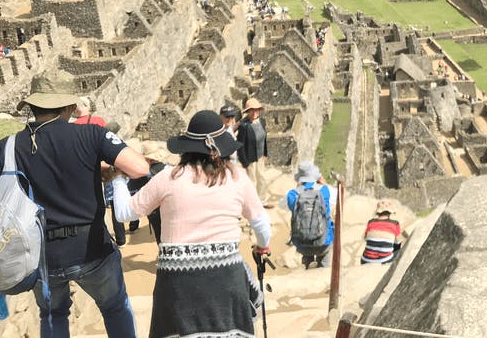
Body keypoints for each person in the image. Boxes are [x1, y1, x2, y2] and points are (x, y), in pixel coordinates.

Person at [0, 69, 150, 338]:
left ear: (32, 105)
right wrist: (103, 172)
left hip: (41, 256)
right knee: (114, 307)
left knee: (53, 314)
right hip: (92, 249)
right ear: (69, 106)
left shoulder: (6, 148)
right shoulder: (91, 135)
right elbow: (139, 168)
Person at [111, 110, 271, 338]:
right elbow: (262, 224)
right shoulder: (236, 177)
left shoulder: (167, 178)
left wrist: (117, 179)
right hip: (226, 279)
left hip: (178, 284)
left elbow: (123, 213)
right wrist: (262, 246)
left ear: (186, 148)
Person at [286, 161, 334, 268]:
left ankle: (307, 264)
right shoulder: (325, 190)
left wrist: (298, 187)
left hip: (302, 242)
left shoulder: (292, 194)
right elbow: (334, 199)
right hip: (323, 242)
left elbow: (292, 209)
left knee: (307, 255)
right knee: (325, 257)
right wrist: (324, 183)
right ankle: (324, 269)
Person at [236, 97, 271, 206]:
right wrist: (245, 162)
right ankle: (252, 204)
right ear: (248, 112)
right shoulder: (244, 126)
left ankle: (262, 200)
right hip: (250, 158)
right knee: (252, 181)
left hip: (260, 156)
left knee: (262, 178)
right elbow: (240, 146)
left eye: (256, 110)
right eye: (252, 110)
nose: (254, 112)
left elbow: (264, 138)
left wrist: (265, 154)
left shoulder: (261, 121)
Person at [360, 200, 404, 264]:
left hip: (365, 260)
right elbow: (398, 243)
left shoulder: (371, 222)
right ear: (390, 213)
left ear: (378, 212)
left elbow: (365, 238)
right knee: (401, 250)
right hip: (385, 260)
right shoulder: (395, 223)